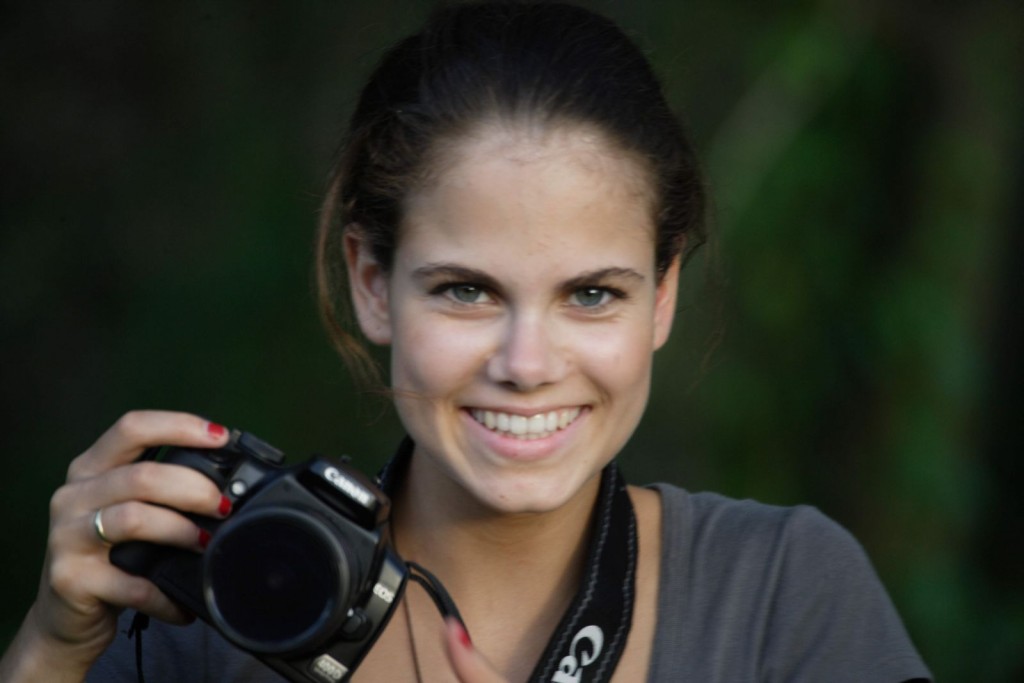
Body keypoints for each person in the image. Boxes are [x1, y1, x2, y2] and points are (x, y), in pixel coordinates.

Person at [0, 2, 932, 681]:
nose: (527, 364)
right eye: (467, 290)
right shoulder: (232, 610)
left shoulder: (778, 595)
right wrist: (51, 648)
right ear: (372, 282)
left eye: (593, 294)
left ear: (663, 295)